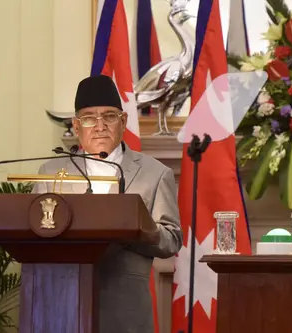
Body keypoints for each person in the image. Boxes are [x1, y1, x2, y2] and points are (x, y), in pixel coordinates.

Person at [33, 75, 182, 333]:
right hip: (63, 306)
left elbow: (172, 239)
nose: (100, 125)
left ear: (123, 122)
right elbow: (34, 232)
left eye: (109, 116)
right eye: (89, 118)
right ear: (77, 126)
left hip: (125, 310)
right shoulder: (50, 172)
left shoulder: (155, 173)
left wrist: (133, 230)